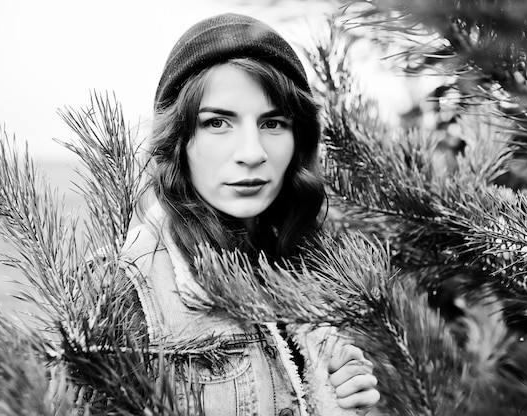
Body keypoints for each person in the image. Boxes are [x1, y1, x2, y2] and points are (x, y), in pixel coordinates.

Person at [121, 12, 380, 416]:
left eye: (273, 122)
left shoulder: (309, 264)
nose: (252, 153)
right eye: (218, 122)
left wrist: (346, 397)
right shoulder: (130, 291)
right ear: (177, 139)